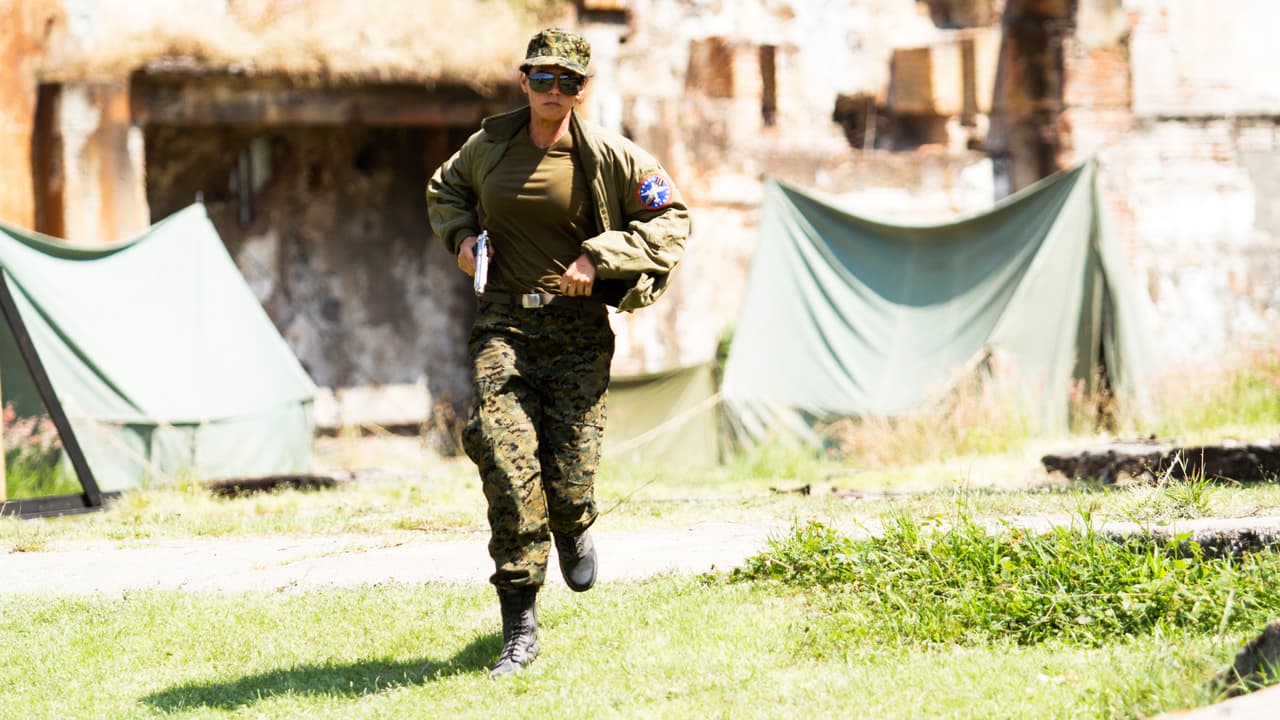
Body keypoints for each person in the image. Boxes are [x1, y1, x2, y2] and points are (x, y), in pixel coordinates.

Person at [426, 27, 691, 678]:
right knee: (503, 457)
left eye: (567, 80)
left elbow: (671, 219)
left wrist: (599, 257)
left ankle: (573, 523)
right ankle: (520, 628)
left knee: (567, 482)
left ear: (582, 88)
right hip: (503, 325)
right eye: (542, 78)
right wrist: (463, 241)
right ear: (524, 81)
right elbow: (445, 190)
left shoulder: (608, 156)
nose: (553, 90)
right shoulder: (489, 147)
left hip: (577, 331)